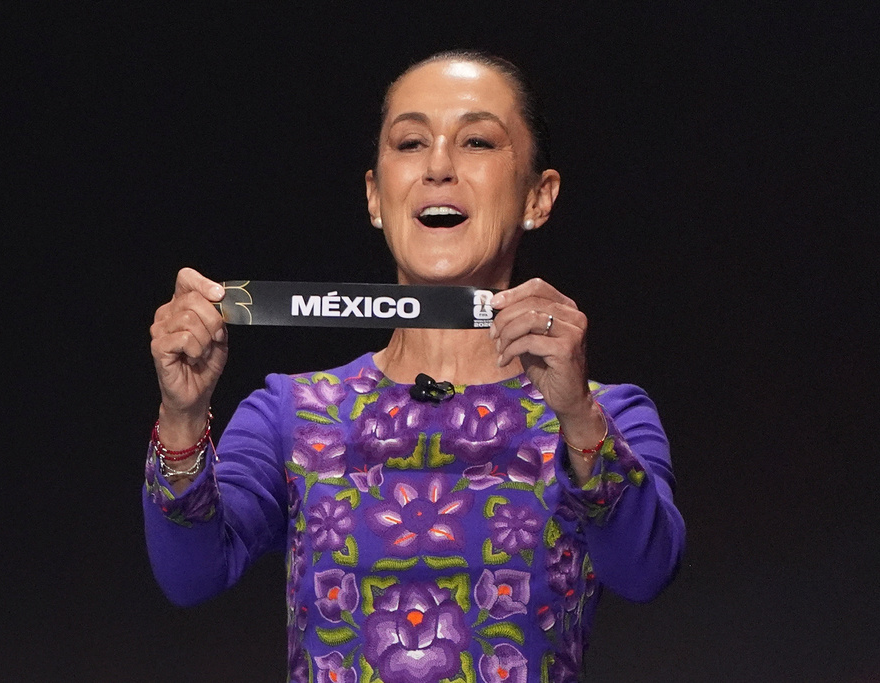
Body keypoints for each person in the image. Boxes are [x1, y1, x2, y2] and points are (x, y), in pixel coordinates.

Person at [144, 50, 685, 683]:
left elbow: (647, 573)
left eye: (477, 141)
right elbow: (191, 577)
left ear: (538, 197)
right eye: (410, 143)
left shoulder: (607, 417)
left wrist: (577, 418)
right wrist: (181, 417)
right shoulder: (290, 414)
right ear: (376, 195)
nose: (438, 167)